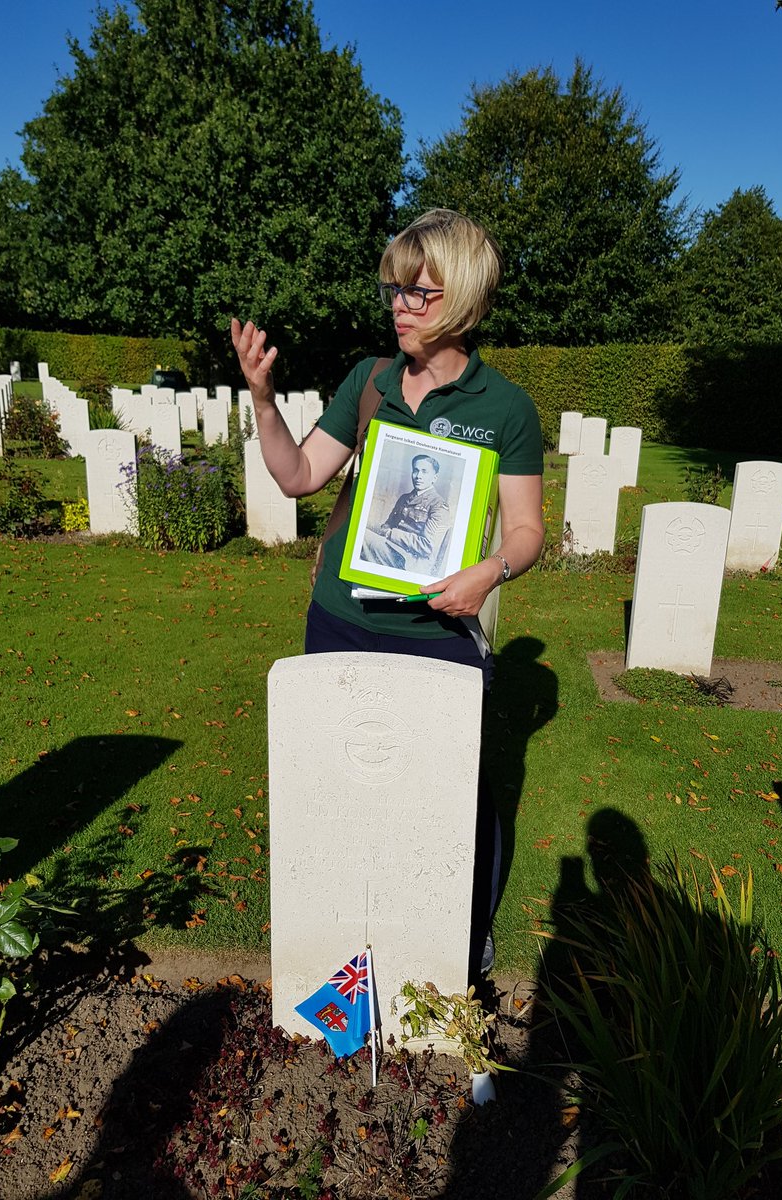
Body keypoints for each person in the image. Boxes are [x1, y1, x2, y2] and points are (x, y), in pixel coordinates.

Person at [232, 208, 545, 976]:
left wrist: (490, 572)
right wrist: (264, 400)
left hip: (438, 637)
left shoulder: (505, 410)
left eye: (419, 294)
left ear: (465, 299)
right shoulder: (368, 380)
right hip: (340, 620)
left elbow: (529, 531)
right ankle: (349, 940)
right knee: (342, 794)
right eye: (394, 293)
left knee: (453, 803)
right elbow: (298, 475)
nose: (401, 308)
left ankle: (462, 936)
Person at [361, 453, 451, 572]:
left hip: (411, 560)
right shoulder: (405, 498)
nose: (418, 476)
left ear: (434, 478)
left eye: (424, 472)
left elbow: (427, 546)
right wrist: (384, 530)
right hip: (391, 547)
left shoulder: (438, 505)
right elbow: (387, 525)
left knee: (361, 536)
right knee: (360, 528)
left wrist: (390, 534)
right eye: (415, 471)